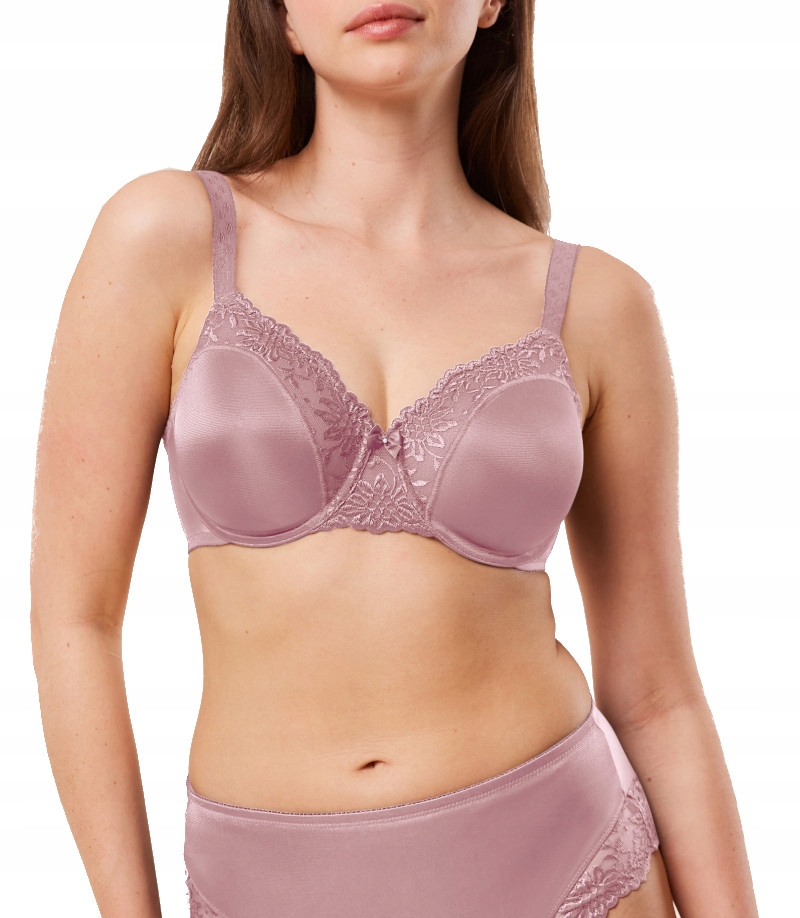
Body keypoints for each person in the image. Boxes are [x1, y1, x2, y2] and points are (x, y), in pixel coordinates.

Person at [30, 1, 759, 916]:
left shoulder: (597, 305)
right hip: (270, 886)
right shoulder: (167, 237)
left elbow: (657, 695)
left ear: (491, 3)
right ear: (281, 18)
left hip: (570, 867)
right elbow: (76, 618)